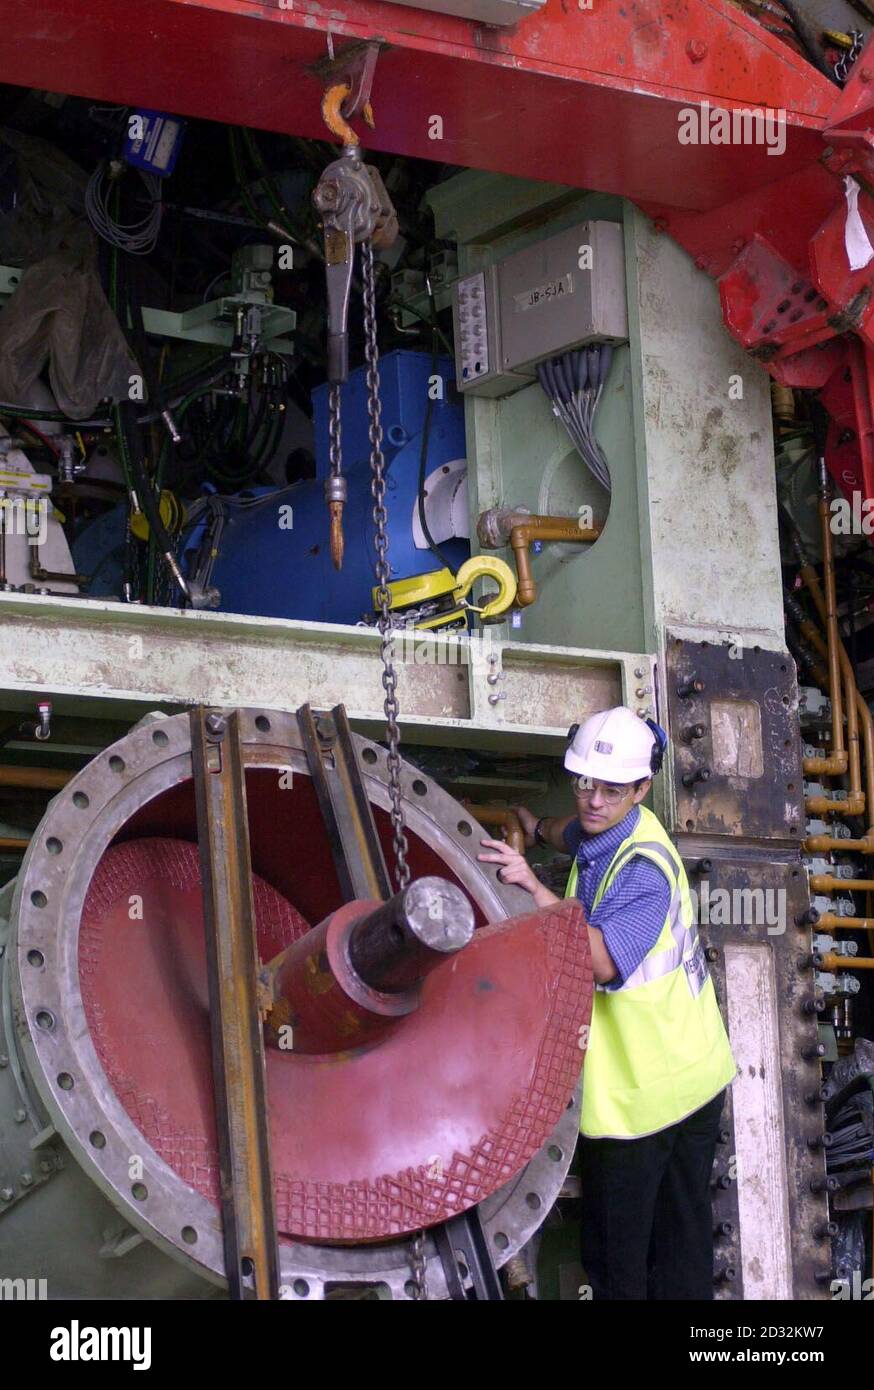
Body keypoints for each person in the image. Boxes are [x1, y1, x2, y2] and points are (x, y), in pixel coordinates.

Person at [477, 705, 737, 1300]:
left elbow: (600, 960)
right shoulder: (610, 828)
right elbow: (575, 830)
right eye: (583, 783)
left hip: (646, 1102)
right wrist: (536, 827)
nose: (593, 799)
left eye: (611, 789)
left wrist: (530, 884)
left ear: (643, 787)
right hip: (691, 1069)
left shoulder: (644, 870)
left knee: (619, 1260)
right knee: (683, 1239)